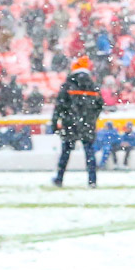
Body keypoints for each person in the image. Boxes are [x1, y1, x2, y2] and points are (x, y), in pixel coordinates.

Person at [50, 56, 101, 188]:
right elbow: (100, 105)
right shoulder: (93, 85)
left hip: (70, 123)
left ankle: (59, 178)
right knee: (89, 152)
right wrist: (91, 118)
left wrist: (55, 123)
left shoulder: (68, 84)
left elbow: (59, 106)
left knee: (65, 153)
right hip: (87, 124)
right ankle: (92, 180)